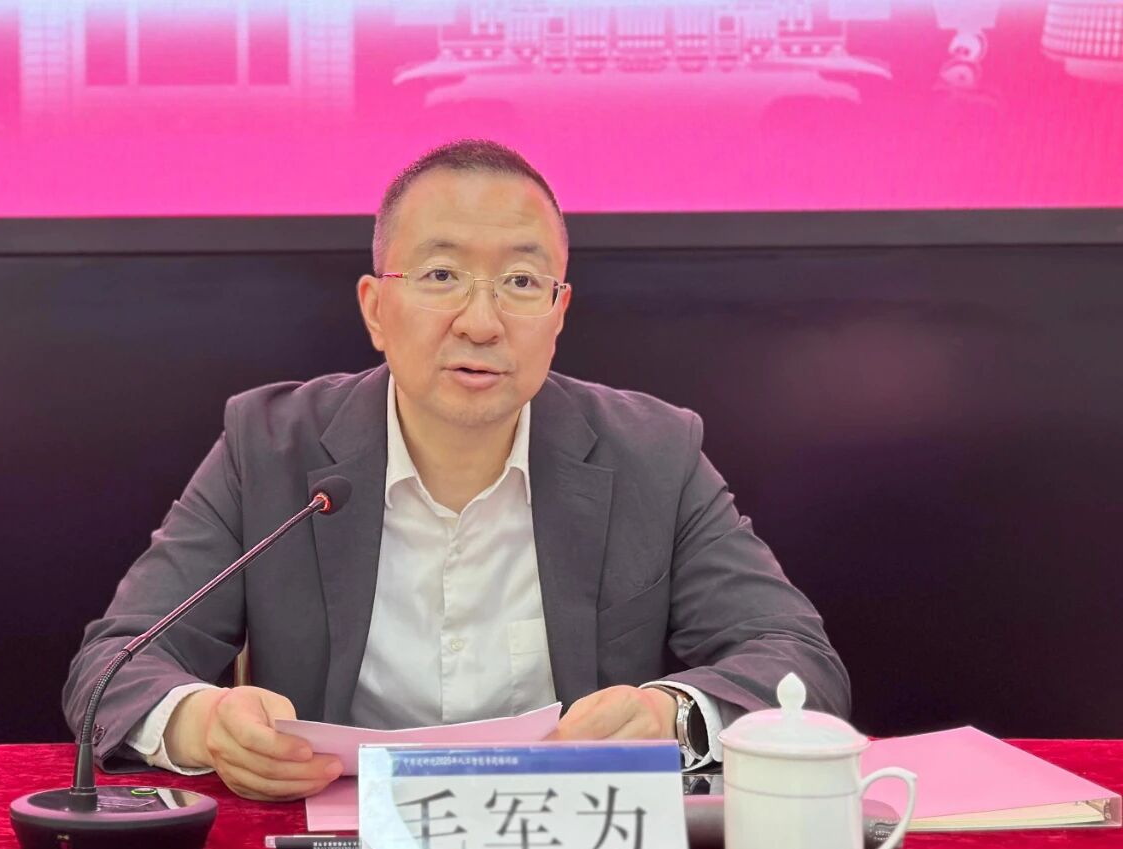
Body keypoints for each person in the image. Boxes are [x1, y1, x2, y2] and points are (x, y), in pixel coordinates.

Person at [64, 139, 849, 802]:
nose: (481, 321)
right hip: (341, 848)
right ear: (376, 308)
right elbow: (112, 665)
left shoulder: (653, 454)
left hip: (570, 847)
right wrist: (204, 725)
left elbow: (798, 661)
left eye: (520, 282)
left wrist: (667, 716)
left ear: (558, 313)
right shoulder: (269, 447)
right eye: (441, 276)